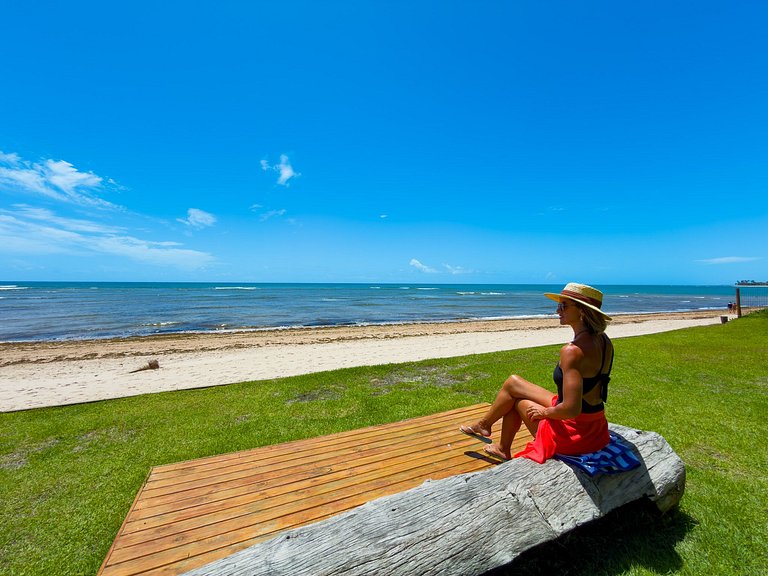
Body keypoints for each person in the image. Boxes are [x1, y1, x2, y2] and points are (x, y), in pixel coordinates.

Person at [460, 282, 614, 462]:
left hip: (576, 436)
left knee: (517, 402)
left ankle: (502, 447)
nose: (558, 311)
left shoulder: (572, 351)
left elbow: (571, 409)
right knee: (513, 382)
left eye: (563, 305)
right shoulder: (604, 341)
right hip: (595, 427)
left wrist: (545, 413)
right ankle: (483, 425)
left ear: (582, 311)